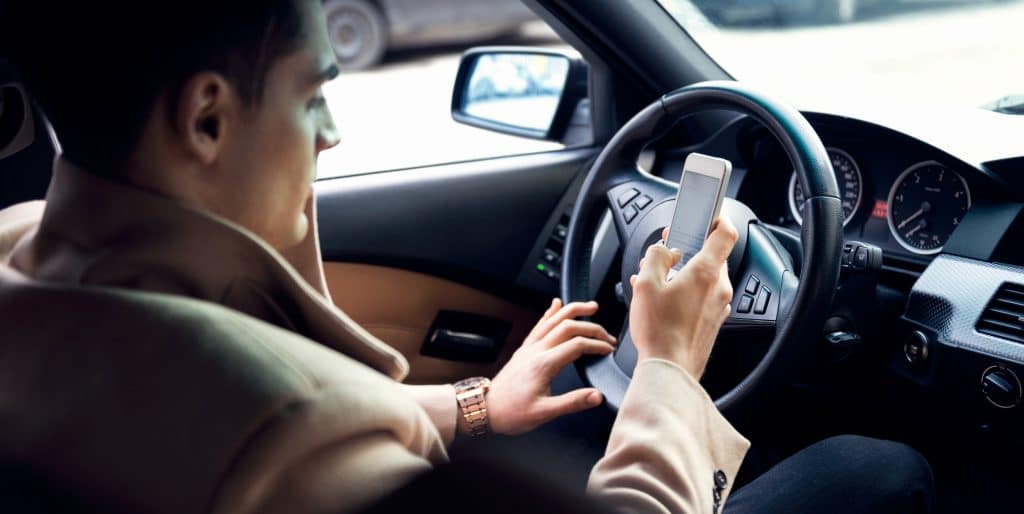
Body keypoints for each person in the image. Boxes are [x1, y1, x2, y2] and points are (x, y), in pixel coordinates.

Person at [0, 1, 933, 513]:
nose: (330, 134)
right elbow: (294, 417)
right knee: (875, 471)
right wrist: (670, 368)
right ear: (207, 119)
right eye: (313, 94)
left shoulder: (19, 253)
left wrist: (478, 403)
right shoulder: (284, 441)